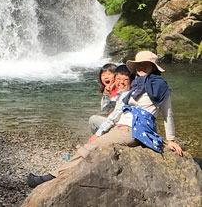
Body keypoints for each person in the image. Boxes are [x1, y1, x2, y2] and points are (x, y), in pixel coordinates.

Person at [27, 51, 183, 189]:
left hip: (134, 129)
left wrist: (171, 140)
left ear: (153, 67)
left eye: (145, 64)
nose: (141, 67)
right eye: (138, 64)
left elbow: (167, 114)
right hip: (122, 127)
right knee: (92, 147)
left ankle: (50, 177)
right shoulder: (135, 85)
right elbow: (118, 108)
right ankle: (66, 172)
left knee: (90, 148)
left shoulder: (161, 87)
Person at [88, 62, 118, 134]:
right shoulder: (107, 90)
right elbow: (105, 109)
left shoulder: (121, 89)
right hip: (114, 121)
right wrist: (106, 94)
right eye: (103, 75)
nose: (105, 77)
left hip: (120, 122)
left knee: (93, 120)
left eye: (109, 74)